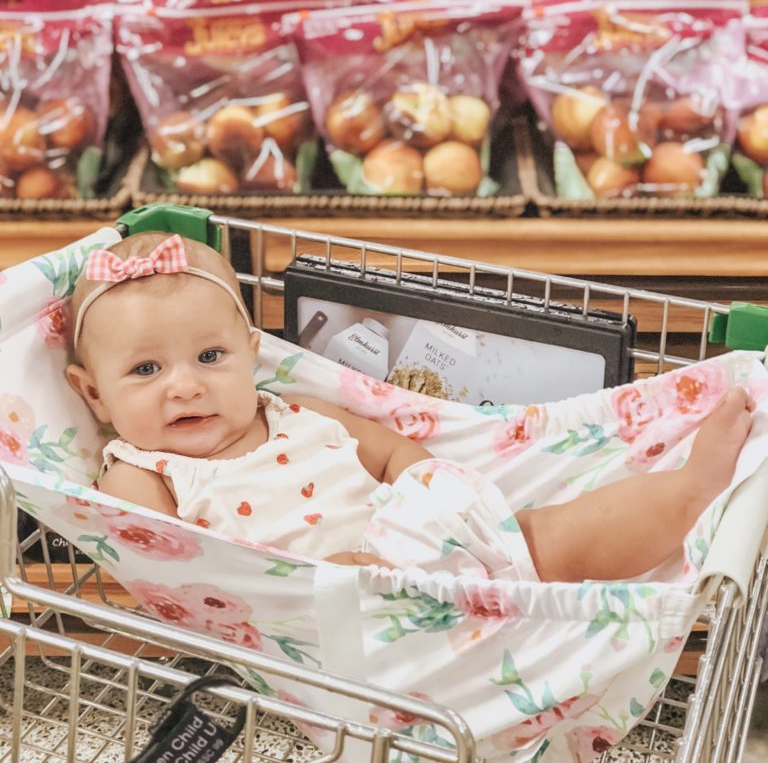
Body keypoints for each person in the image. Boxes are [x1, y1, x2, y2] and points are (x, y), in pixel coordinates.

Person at [66, 230, 755, 583]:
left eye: (211, 358)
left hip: (414, 539)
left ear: (252, 352)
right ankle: (689, 499)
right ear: (93, 392)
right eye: (146, 369)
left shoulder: (297, 409)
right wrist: (308, 586)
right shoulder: (140, 472)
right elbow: (175, 568)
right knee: (542, 555)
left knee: (546, 536)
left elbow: (391, 449)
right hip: (323, 596)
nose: (184, 386)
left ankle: (693, 491)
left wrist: (427, 483)